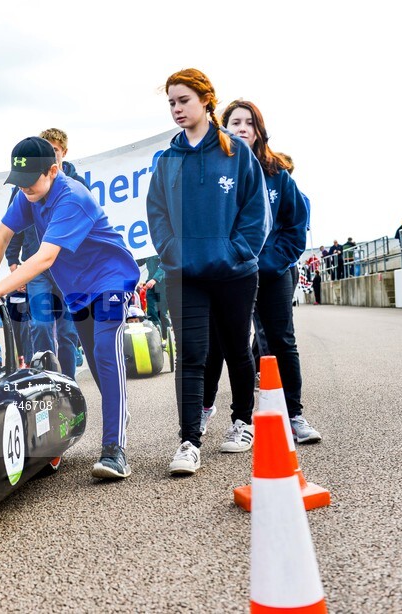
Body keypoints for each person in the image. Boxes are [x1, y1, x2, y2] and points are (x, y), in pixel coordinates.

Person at [0, 136, 140, 480]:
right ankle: (119, 413)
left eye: (30, 182)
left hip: (110, 281)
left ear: (53, 171)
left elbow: (44, 257)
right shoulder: (29, 195)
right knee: (99, 366)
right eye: (19, 182)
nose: (24, 189)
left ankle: (114, 450)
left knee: (105, 353)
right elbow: (1, 235)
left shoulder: (71, 197)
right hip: (79, 289)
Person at [145, 68, 271, 476]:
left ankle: (242, 421)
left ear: (206, 100)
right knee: (192, 356)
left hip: (234, 272)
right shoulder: (167, 161)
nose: (177, 109)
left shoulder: (236, 152)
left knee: (237, 348)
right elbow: (157, 214)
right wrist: (171, 252)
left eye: (183, 100)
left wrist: (237, 252)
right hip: (186, 275)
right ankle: (189, 441)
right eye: (171, 103)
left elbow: (255, 213)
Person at [200, 99, 320, 444]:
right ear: (223, 129)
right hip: (229, 274)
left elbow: (296, 226)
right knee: (220, 345)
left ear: (259, 130)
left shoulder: (278, 175)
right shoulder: (214, 174)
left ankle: (294, 415)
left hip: (271, 273)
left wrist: (271, 262)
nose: (242, 128)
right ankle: (211, 409)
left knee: (281, 340)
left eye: (249, 123)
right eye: (235, 122)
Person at [5, 128, 85, 379]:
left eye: (55, 151)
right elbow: (11, 227)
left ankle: (68, 384)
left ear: (64, 152)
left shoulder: (77, 186)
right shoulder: (24, 184)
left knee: (67, 333)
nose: (51, 156)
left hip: (69, 269)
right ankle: (44, 382)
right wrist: (12, 261)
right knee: (39, 325)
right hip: (35, 268)